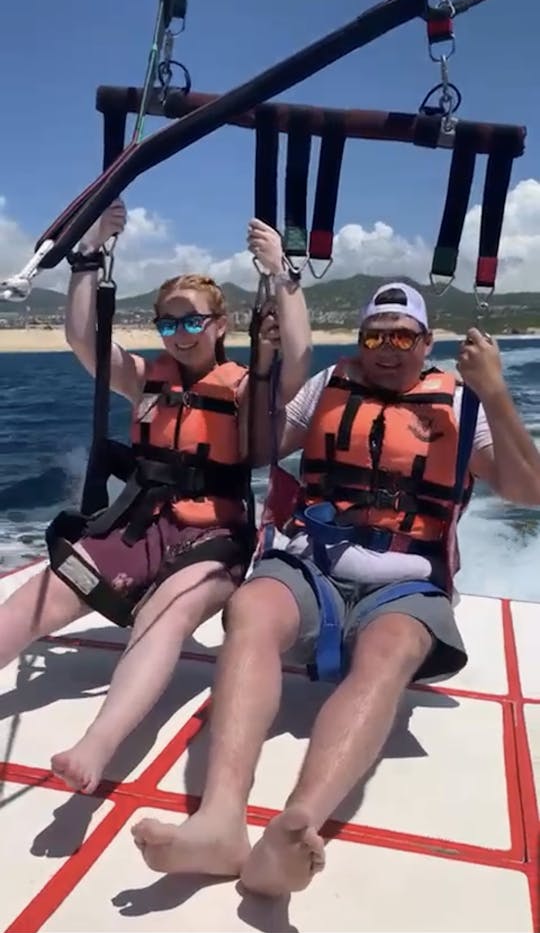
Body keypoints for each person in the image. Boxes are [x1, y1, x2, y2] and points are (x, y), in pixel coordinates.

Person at [132, 280, 540, 895]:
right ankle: (219, 820)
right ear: (360, 341)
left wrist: (496, 393)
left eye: (403, 335)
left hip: (406, 580)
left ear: (427, 342)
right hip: (310, 562)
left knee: (390, 653)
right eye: (375, 335)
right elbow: (261, 449)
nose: (387, 348)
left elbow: (528, 490)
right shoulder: (328, 386)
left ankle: (296, 830)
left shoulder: (461, 404)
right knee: (250, 610)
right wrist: (265, 370)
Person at [0, 199, 312, 795]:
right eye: (168, 323)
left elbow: (296, 357)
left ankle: (98, 743)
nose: (179, 334)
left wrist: (281, 274)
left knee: (162, 620)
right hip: (136, 527)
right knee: (32, 600)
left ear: (220, 325)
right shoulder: (145, 378)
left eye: (192, 320)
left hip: (212, 538)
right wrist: (88, 256)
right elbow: (81, 339)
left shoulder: (248, 388)